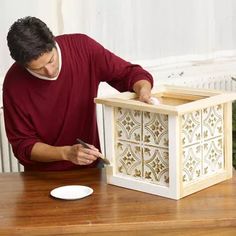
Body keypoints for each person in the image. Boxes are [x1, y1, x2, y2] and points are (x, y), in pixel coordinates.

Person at [3, 16, 153, 171]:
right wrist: (66, 153)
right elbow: (23, 145)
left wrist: (143, 89)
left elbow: (128, 74)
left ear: (53, 41)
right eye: (37, 69)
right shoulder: (13, 84)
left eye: (50, 61)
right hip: (41, 176)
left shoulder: (83, 48)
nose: (49, 71)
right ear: (22, 65)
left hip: (90, 169)